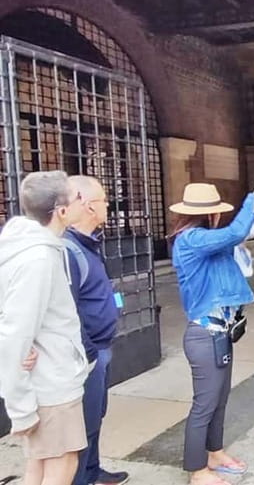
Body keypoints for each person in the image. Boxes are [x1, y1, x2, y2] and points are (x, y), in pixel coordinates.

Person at [169, 183, 254, 485]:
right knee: (204, 405)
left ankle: (214, 453)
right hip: (204, 335)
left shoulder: (205, 241)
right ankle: (197, 470)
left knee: (219, 399)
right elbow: (235, 233)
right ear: (211, 214)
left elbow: (245, 233)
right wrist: (252, 198)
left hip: (219, 334)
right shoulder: (191, 239)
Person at [0, 170, 89, 485]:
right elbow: (15, 331)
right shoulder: (38, 258)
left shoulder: (36, 249)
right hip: (51, 385)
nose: (84, 201)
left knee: (40, 465)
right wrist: (21, 407)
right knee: (62, 464)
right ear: (62, 212)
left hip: (49, 375)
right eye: (78, 197)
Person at [65, 176, 129, 485]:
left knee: (95, 416)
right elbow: (67, 310)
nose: (108, 205)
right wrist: (90, 353)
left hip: (100, 348)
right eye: (104, 200)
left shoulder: (88, 245)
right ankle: (81, 478)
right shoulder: (69, 251)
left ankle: (92, 472)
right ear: (89, 205)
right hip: (87, 354)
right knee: (83, 424)